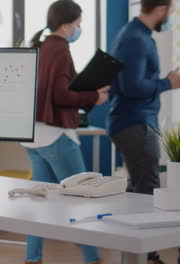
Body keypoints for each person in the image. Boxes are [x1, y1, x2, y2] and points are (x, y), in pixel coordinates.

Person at [21, 1, 110, 263]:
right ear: (66, 25)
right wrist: (94, 96)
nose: (78, 29)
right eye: (79, 25)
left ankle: (32, 258)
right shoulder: (60, 49)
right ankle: (94, 259)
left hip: (35, 136)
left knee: (40, 204)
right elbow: (60, 95)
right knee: (82, 200)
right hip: (56, 135)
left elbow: (51, 88)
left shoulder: (41, 47)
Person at [108, 0, 180, 263]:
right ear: (161, 9)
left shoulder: (133, 33)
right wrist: (168, 83)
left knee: (138, 190)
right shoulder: (136, 39)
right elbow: (133, 87)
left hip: (133, 122)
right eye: (171, 10)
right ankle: (147, 255)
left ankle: (138, 253)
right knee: (148, 191)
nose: (171, 16)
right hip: (135, 124)